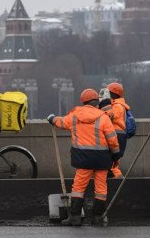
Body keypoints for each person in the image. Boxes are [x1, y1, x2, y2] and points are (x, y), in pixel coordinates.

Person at [47, 88, 120, 226]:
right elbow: (112, 139)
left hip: (83, 158)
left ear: (84, 101)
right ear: (96, 102)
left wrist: (51, 118)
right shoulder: (103, 117)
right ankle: (97, 217)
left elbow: (61, 122)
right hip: (102, 159)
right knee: (100, 188)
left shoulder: (75, 115)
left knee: (79, 187)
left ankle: (74, 217)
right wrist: (116, 156)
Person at [99, 82, 131, 179]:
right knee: (112, 165)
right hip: (115, 136)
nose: (107, 94)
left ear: (114, 94)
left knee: (112, 165)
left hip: (116, 137)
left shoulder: (119, 106)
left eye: (108, 92)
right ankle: (119, 183)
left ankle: (119, 183)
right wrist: (102, 100)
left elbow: (109, 115)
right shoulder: (115, 104)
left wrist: (105, 102)